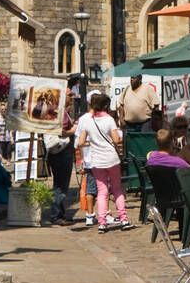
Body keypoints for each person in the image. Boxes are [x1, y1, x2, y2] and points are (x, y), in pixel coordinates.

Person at [75, 92, 134, 232]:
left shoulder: (88, 121)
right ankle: (123, 219)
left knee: (102, 192)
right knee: (117, 189)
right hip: (111, 158)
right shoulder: (109, 120)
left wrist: (93, 143)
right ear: (106, 105)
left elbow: (81, 142)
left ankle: (102, 222)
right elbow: (116, 139)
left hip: (96, 160)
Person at [45, 105, 76, 222]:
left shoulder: (60, 110)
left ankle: (59, 213)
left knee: (60, 185)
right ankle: (56, 215)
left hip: (61, 152)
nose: (72, 97)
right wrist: (72, 130)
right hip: (61, 151)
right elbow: (60, 131)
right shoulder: (59, 111)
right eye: (69, 94)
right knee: (60, 186)